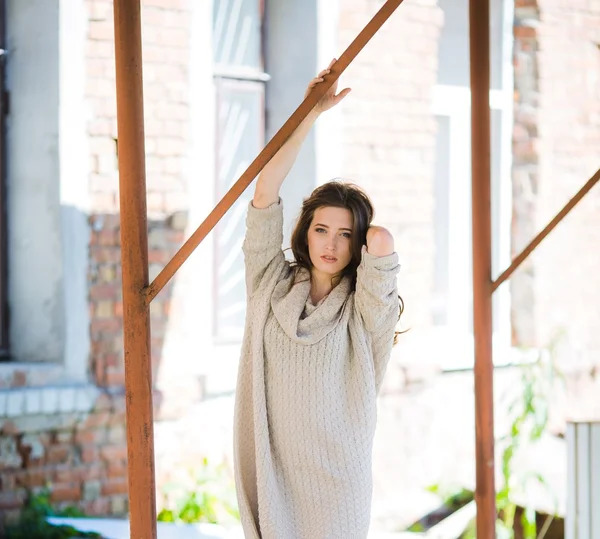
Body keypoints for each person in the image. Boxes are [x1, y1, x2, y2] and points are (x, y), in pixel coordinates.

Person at [233, 59, 402, 539]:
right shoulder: (269, 281)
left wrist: (369, 231)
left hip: (338, 480)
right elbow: (265, 191)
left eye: (345, 235)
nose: (330, 244)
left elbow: (384, 241)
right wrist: (310, 112)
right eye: (321, 229)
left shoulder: (364, 309)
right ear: (304, 232)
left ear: (358, 243)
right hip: (275, 470)